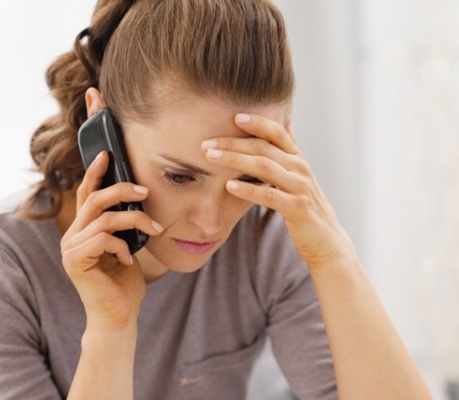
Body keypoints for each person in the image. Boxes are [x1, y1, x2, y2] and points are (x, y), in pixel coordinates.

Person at [0, 0, 432, 399]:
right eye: (179, 176)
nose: (212, 223)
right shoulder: (12, 271)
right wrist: (111, 331)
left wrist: (333, 257)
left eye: (244, 176)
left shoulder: (266, 236)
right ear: (101, 124)